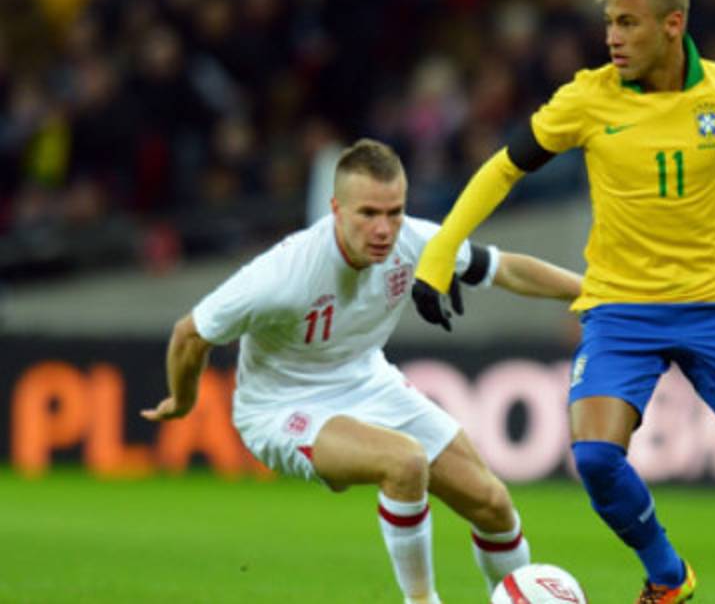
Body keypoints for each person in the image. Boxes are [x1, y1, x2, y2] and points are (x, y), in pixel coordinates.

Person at [409, 0, 715, 602]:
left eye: (628, 23)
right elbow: (504, 167)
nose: (612, 38)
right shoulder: (587, 97)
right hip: (621, 311)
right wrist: (439, 253)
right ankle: (668, 576)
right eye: (609, 23)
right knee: (596, 457)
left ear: (672, 25)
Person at [141, 139, 582, 604]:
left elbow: (506, 269)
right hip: (282, 406)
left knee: (493, 504)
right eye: (368, 213)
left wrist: (594, 291)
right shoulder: (284, 273)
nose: (384, 229)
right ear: (336, 209)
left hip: (367, 381)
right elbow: (190, 333)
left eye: (394, 212)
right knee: (404, 462)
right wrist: (183, 399)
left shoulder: (413, 241)